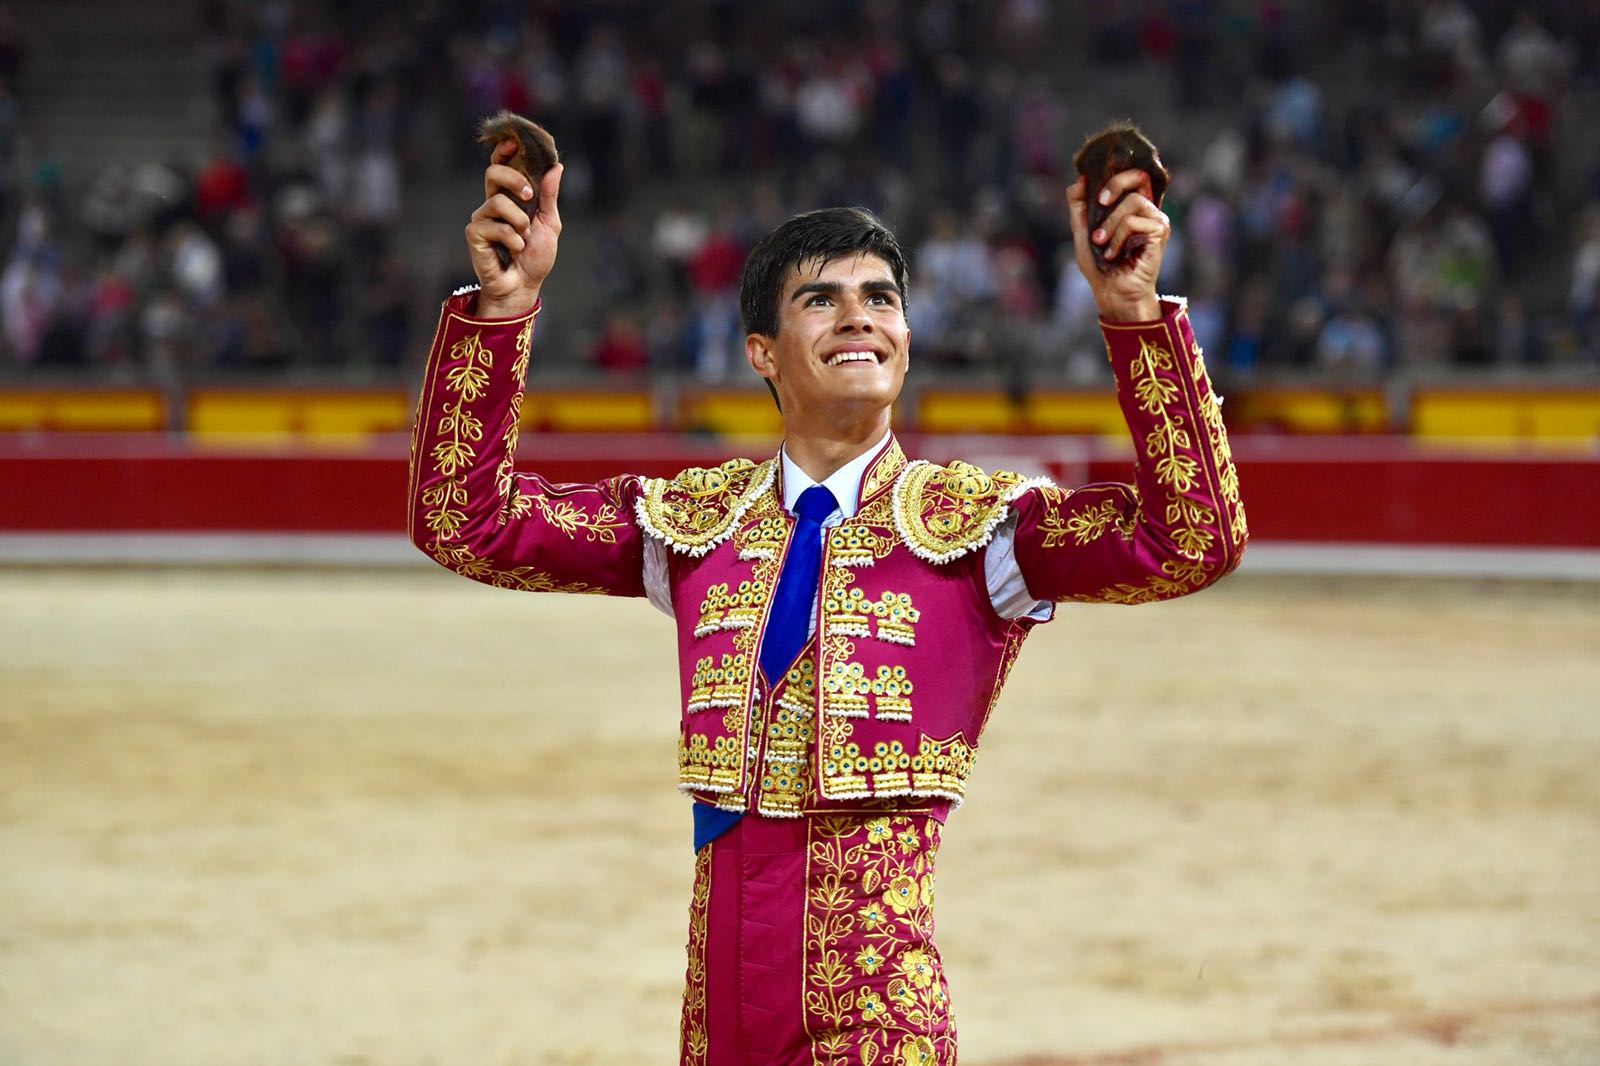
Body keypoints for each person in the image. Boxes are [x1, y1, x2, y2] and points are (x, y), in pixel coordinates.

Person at [407, 136, 1246, 1065]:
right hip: (718, 1015)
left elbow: (1192, 541)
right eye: (822, 299)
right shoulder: (696, 526)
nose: (860, 317)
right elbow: (464, 523)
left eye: (881, 299)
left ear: (907, 340)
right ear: (761, 353)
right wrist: (504, 308)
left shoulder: (980, 530)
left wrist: (1133, 315)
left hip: (879, 1016)